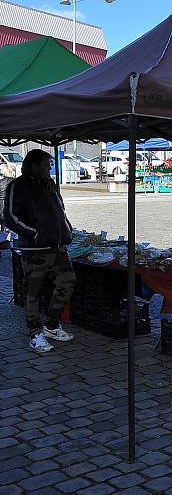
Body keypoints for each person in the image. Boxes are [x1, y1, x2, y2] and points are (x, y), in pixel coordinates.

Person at [3, 150, 76, 353]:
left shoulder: (49, 184)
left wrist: (66, 228)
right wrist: (35, 234)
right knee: (32, 293)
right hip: (35, 249)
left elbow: (60, 209)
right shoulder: (18, 186)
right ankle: (35, 334)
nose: (49, 168)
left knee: (67, 282)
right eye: (46, 165)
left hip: (57, 247)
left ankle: (51, 324)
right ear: (34, 165)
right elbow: (9, 216)